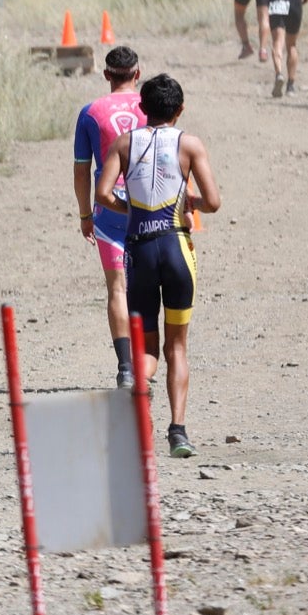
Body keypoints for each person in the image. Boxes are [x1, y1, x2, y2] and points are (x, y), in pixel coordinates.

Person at [96, 74, 222, 458]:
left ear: (143, 109)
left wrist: (130, 208)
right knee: (178, 346)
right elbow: (214, 202)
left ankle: (138, 392)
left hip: (139, 250)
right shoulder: (190, 144)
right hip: (176, 247)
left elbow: (101, 194)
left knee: (147, 346)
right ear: (180, 110)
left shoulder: (123, 142)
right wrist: (191, 204)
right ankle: (178, 432)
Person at [72, 46, 147, 388]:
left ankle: (126, 368)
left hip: (108, 208)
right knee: (147, 288)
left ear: (106, 76)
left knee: (117, 289)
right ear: (138, 74)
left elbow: (82, 171)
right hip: (147, 206)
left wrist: (85, 214)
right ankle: (149, 359)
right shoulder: (154, 105)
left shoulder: (90, 112)